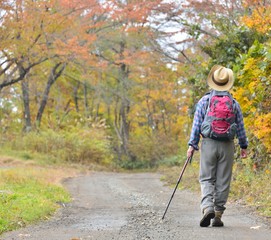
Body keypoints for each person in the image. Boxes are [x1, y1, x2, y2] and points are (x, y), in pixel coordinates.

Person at [187, 65, 248, 227]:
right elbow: (241, 127)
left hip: (209, 144)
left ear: (212, 82)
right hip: (227, 145)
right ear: (228, 83)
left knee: (207, 177)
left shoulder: (204, 101)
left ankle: (207, 207)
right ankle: (218, 215)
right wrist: (243, 146)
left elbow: (197, 125)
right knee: (223, 180)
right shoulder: (234, 103)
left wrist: (192, 145)